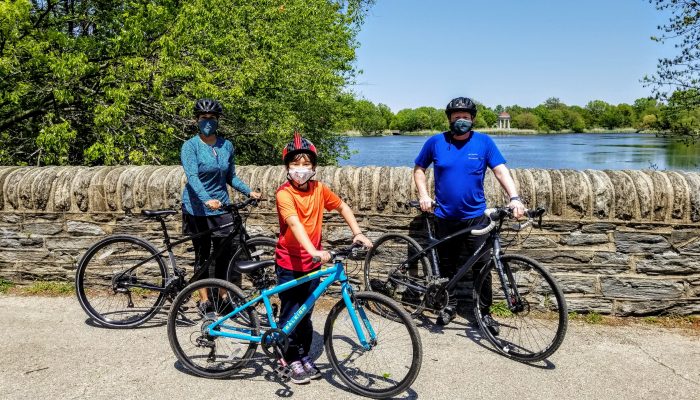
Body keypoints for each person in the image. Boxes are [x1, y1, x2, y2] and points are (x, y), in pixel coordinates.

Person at [413, 96, 525, 328]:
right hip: (444, 217)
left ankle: (484, 312)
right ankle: (449, 305)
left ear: (472, 119)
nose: (461, 121)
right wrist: (424, 195)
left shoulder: (484, 143)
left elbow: (501, 171)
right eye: (456, 117)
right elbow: (419, 169)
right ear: (449, 120)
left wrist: (514, 198)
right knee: (447, 267)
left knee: (483, 268)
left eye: (465, 117)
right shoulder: (435, 142)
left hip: (476, 218)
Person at [274, 131, 373, 384]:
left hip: (311, 263)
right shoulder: (284, 194)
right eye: (295, 164)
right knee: (290, 312)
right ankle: (288, 356)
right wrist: (313, 250)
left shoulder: (319, 189)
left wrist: (358, 233)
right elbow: (294, 224)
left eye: (306, 164)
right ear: (287, 167)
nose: (300, 169)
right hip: (289, 262)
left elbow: (342, 206)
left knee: (306, 313)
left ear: (314, 167)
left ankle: (303, 354)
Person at [180, 98, 261, 311]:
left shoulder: (227, 146)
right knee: (203, 254)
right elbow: (192, 177)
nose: (208, 122)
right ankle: (205, 299)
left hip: (221, 206)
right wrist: (206, 199)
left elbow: (231, 176)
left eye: (212, 118)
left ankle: (224, 297)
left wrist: (249, 190)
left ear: (218, 120)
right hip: (197, 208)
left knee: (225, 253)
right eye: (204, 118)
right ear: (197, 120)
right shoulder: (190, 146)